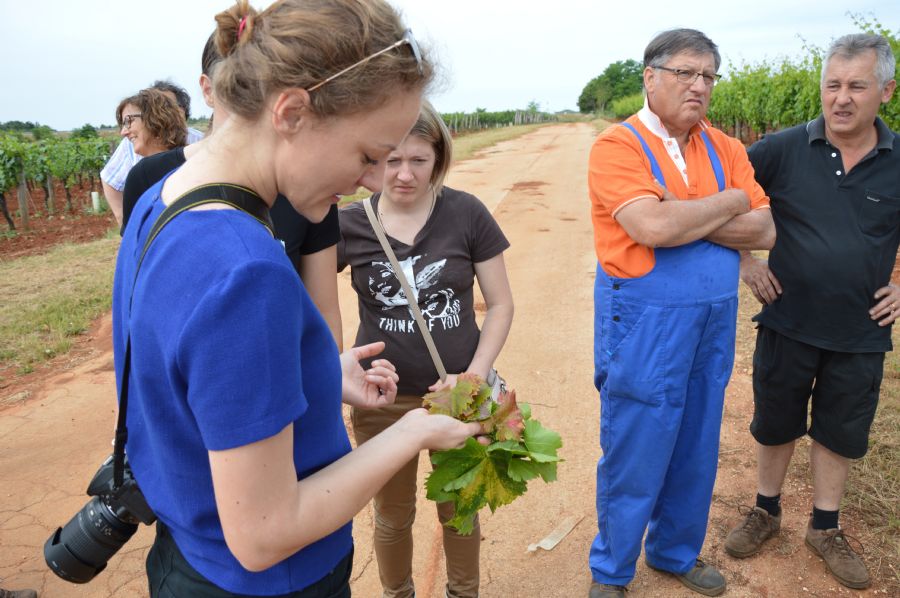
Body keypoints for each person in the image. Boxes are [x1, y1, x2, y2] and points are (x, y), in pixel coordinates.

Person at [111, 2, 481, 596]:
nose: (373, 181)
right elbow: (265, 535)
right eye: (368, 156)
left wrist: (317, 376)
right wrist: (412, 431)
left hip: (188, 558)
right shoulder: (246, 271)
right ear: (291, 112)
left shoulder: (164, 198)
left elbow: (194, 382)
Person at [587, 28, 775, 598]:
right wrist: (729, 203)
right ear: (650, 77)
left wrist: (688, 212)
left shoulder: (726, 148)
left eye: (708, 76)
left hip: (712, 320)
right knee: (638, 442)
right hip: (646, 322)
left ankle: (674, 552)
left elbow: (764, 230)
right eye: (685, 73)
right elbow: (652, 226)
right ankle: (612, 570)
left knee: (696, 441)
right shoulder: (618, 147)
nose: (699, 86)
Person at [724, 33, 898, 590]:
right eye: (832, 85)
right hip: (788, 319)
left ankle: (825, 527)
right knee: (776, 420)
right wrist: (745, 262)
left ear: (886, 91)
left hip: (861, 329)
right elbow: (718, 199)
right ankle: (765, 510)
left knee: (840, 430)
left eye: (857, 86)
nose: (841, 98)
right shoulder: (780, 149)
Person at [338, 100, 514, 598]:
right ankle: (398, 593)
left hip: (456, 397)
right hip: (382, 402)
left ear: (439, 158)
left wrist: (474, 375)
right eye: (392, 160)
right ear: (373, 159)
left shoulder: (466, 213)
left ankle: (463, 592)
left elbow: (501, 304)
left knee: (460, 510)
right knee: (393, 515)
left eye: (419, 160)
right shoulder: (348, 224)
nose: (404, 174)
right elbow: (306, 302)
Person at [121, 32, 344, 346]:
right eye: (239, 88)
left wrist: (330, 374)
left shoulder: (308, 188)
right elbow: (138, 311)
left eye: (269, 87)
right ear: (207, 90)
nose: (253, 105)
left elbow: (325, 315)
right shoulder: (149, 179)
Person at [101, 80, 204, 226]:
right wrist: (121, 219)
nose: (123, 132)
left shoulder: (141, 174)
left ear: (154, 119)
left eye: (129, 121)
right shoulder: (197, 159)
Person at [114, 89, 187, 162]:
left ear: (156, 119)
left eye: (128, 121)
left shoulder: (188, 163)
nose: (123, 132)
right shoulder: (187, 160)